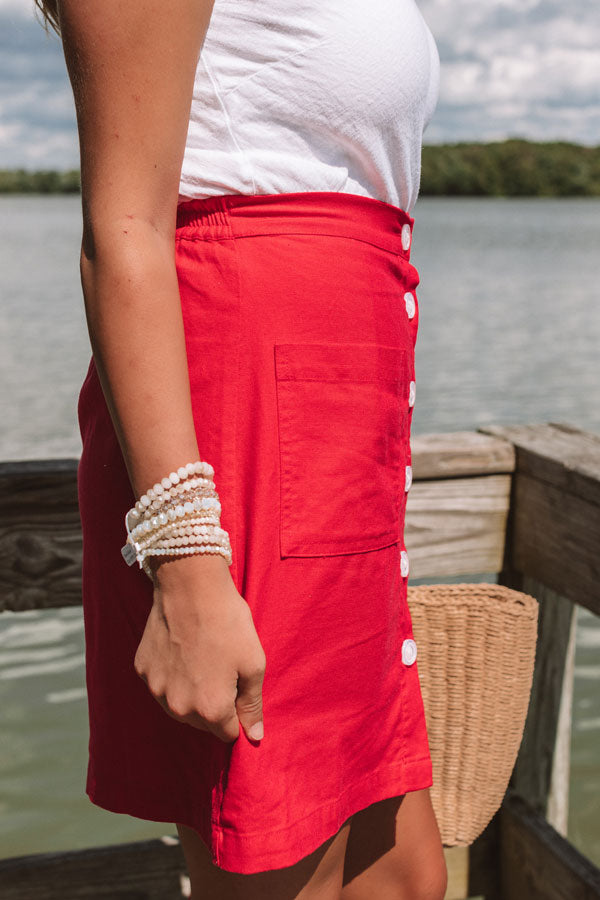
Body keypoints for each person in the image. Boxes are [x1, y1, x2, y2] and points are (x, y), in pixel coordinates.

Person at [36, 0, 448, 897]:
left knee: (403, 877)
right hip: (246, 429)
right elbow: (125, 228)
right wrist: (186, 556)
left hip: (336, 435)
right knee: (285, 862)